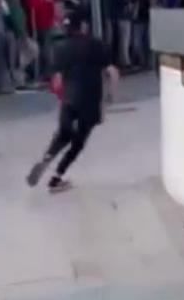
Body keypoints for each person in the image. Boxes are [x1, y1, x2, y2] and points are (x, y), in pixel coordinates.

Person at [26, 10, 119, 193]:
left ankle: (48, 156)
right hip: (90, 100)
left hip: (69, 98)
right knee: (78, 142)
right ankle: (56, 178)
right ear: (83, 26)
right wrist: (111, 97)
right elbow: (112, 73)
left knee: (63, 135)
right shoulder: (96, 45)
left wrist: (63, 97)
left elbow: (57, 81)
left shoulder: (59, 48)